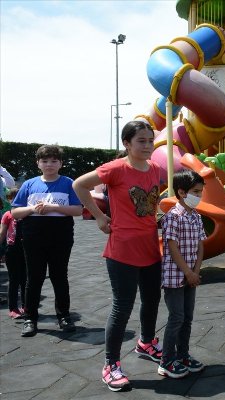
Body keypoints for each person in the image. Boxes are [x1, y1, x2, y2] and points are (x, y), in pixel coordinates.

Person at [73, 120, 163, 392]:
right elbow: (79, 185)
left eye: (150, 140)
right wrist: (100, 216)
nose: (147, 146)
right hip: (122, 248)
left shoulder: (155, 168)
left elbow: (150, 203)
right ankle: (110, 364)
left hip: (150, 246)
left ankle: (146, 342)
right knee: (122, 307)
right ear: (127, 143)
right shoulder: (115, 168)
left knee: (152, 300)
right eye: (141, 141)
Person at [11, 145, 83, 337]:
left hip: (61, 236)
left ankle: (64, 316)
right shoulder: (29, 184)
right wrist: (32, 209)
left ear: (61, 163)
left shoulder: (69, 183)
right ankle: (30, 318)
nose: (49, 164)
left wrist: (53, 207)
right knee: (34, 277)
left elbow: (78, 210)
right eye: (45, 161)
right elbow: (15, 212)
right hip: (33, 236)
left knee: (60, 276)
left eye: (54, 161)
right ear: (38, 163)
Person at [158, 170, 207, 378]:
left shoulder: (196, 216)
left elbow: (200, 245)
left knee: (187, 318)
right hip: (174, 276)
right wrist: (188, 272)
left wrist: (196, 271)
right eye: (196, 191)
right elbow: (172, 246)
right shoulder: (173, 217)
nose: (199, 195)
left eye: (200, 191)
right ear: (181, 192)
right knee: (176, 317)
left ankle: (183, 355)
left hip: (190, 276)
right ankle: (166, 360)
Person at [0, 188, 26, 319]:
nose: (15, 201)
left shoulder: (28, 214)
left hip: (26, 250)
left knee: (25, 279)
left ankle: (26, 306)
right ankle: (13, 308)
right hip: (12, 249)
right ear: (9, 200)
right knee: (14, 279)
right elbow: (2, 233)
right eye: (12, 198)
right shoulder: (8, 215)